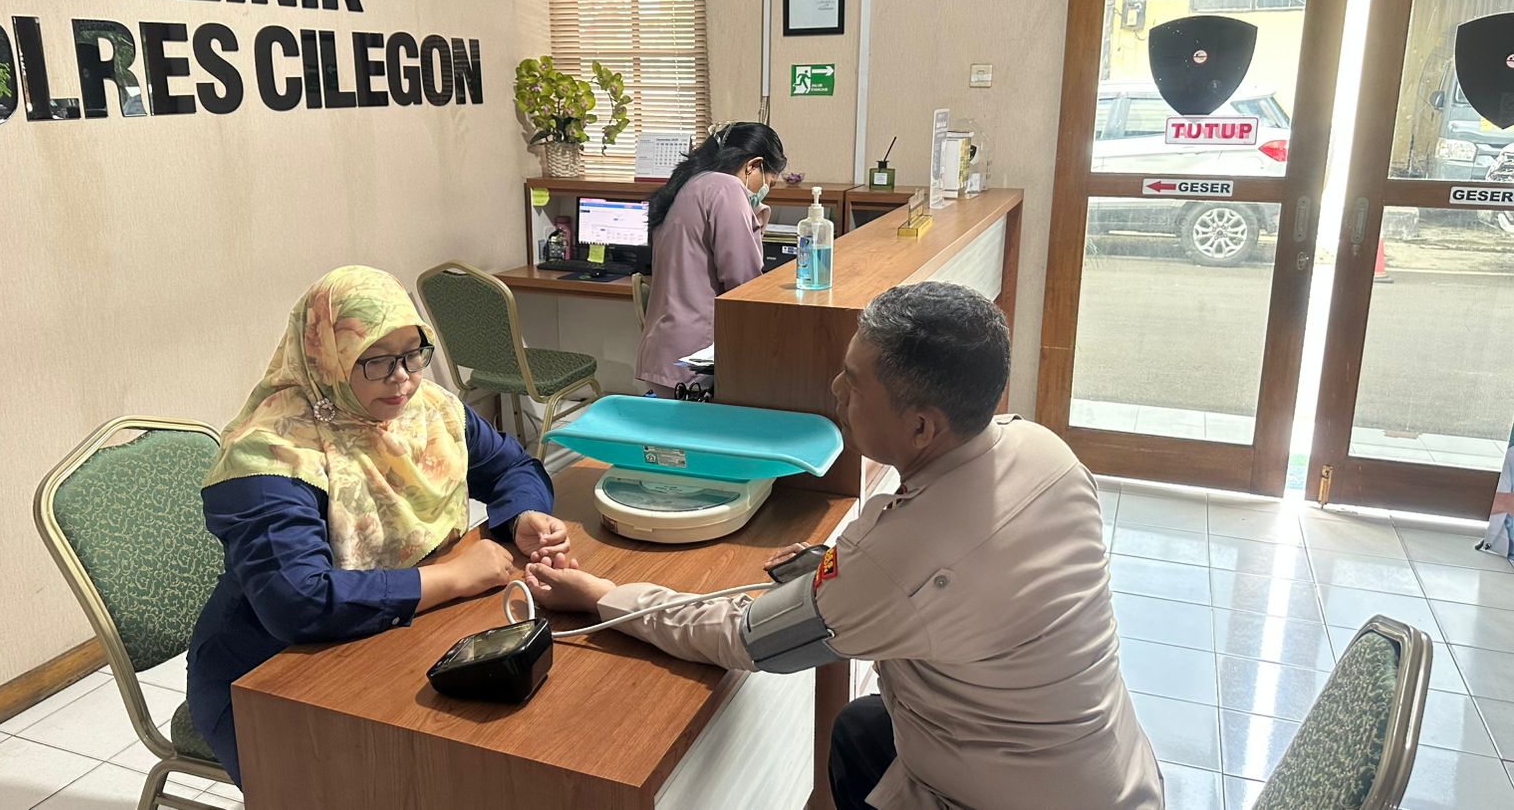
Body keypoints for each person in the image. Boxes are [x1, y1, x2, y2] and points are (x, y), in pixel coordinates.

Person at [526, 282, 1164, 810]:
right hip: (1109, 771)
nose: (835, 390)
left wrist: (604, 595)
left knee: (856, 731)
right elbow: (970, 585)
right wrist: (841, 571)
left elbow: (746, 638)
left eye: (855, 384)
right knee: (861, 726)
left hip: (1005, 796)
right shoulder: (1043, 448)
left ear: (921, 426)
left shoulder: (902, 561)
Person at [187, 266, 571, 784]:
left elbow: (513, 467)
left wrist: (522, 515)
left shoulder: (426, 411)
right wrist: (452, 577)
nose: (403, 378)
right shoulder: (272, 454)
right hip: (268, 674)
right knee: (378, 780)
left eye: (413, 354)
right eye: (376, 360)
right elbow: (297, 600)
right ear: (328, 356)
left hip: (397, 636)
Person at [636, 121, 788, 396]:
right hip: (695, 361)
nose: (766, 191)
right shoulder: (727, 187)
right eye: (770, 183)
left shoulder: (689, 183)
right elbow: (743, 282)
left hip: (664, 352)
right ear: (753, 166)